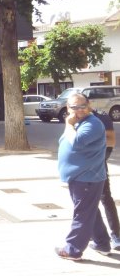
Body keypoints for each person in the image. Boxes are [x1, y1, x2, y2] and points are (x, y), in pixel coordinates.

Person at [55, 93, 111, 260]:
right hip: (80, 177)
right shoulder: (78, 122)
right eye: (74, 107)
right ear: (67, 107)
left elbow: (77, 142)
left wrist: (69, 124)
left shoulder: (92, 124)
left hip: (87, 178)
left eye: (82, 106)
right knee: (89, 211)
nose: (78, 110)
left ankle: (73, 249)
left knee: (83, 214)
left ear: (89, 105)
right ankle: (102, 243)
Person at [92, 109, 120, 250]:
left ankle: (116, 236)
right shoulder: (73, 118)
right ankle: (97, 236)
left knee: (105, 198)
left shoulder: (101, 117)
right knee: (88, 202)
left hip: (98, 165)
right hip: (81, 169)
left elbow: (111, 142)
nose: (77, 109)